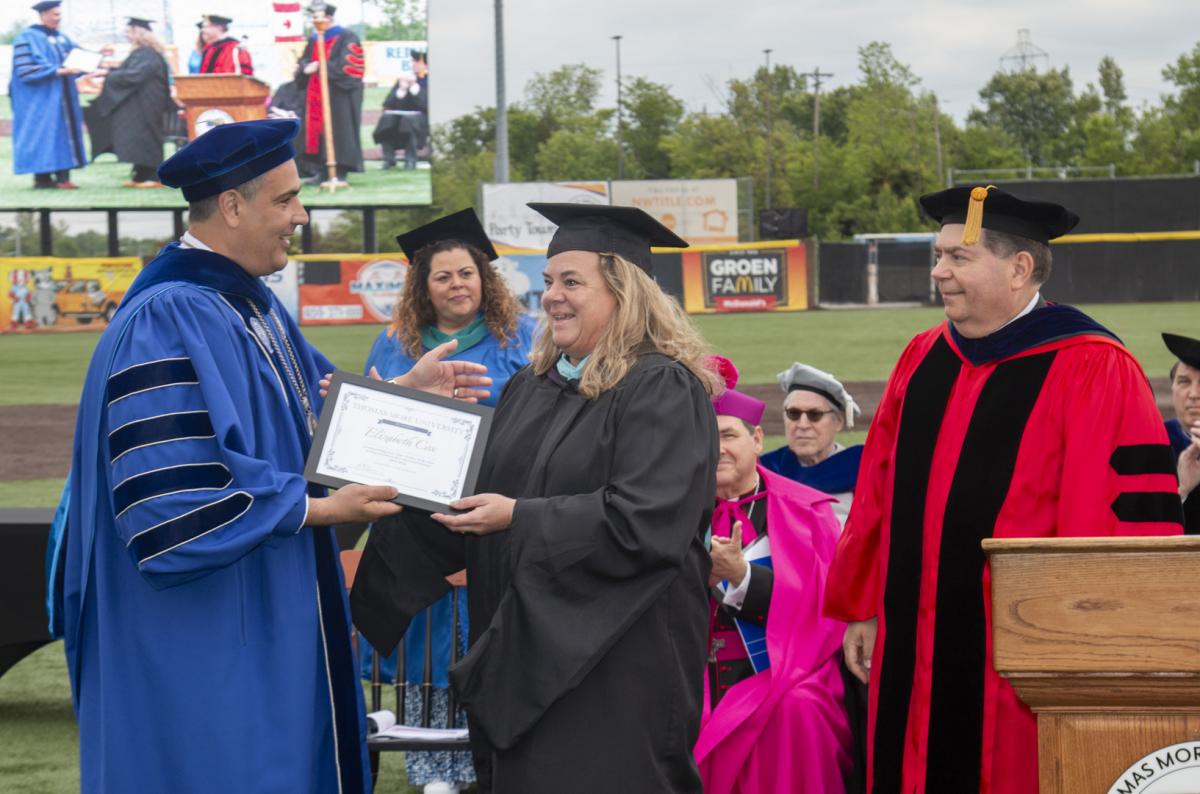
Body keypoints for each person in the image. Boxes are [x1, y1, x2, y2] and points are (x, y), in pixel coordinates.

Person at [56, 118, 490, 793]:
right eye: (286, 199)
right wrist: (320, 509)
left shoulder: (249, 309)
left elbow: (310, 426)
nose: (302, 215)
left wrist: (404, 393)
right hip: (204, 633)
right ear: (233, 205)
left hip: (263, 613)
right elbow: (169, 503)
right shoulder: (170, 315)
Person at [824, 185, 1184, 794]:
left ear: (1019, 269)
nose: (938, 271)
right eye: (939, 255)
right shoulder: (923, 357)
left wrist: (1083, 656)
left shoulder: (1093, 366)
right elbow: (877, 490)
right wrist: (863, 603)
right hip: (909, 639)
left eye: (958, 258)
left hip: (1016, 658)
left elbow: (1119, 525)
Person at [351, 203, 721, 793]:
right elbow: (473, 490)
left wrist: (518, 518)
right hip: (523, 652)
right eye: (548, 282)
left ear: (625, 293)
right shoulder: (535, 384)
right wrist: (391, 424)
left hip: (616, 665)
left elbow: (646, 521)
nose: (551, 297)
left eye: (572, 282)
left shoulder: (661, 387)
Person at [361, 208, 535, 794]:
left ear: (486, 278)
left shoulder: (525, 338)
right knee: (430, 640)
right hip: (418, 524)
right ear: (422, 286)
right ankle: (435, 769)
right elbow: (373, 428)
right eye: (443, 276)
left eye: (468, 273)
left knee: (496, 632)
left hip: (501, 513)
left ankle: (497, 761)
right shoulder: (394, 346)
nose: (458, 284)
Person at [694, 356, 852, 794]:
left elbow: (823, 613)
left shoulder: (807, 511)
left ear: (757, 439)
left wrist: (741, 577)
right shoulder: (673, 510)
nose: (718, 448)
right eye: (707, 438)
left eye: (728, 436)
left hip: (785, 670)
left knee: (798, 711)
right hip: (691, 670)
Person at [760, 362, 863, 527]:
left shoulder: (860, 469)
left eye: (815, 415)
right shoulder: (767, 469)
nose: (802, 424)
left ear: (838, 422)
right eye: (793, 413)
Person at [83, 18, 172, 188]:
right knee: (139, 137)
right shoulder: (144, 52)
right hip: (141, 103)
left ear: (138, 33)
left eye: (129, 31)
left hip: (149, 103)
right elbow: (128, 72)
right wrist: (108, 72)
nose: (126, 34)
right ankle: (140, 175)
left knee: (147, 138)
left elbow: (133, 75)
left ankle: (153, 177)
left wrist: (109, 76)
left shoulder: (147, 53)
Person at [10, 0, 86, 189]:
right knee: (41, 135)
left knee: (64, 134)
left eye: (59, 14)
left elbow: (79, 58)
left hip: (63, 99)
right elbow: (24, 70)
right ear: (43, 15)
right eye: (55, 14)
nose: (59, 18)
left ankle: (63, 178)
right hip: (39, 100)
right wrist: (57, 71)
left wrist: (97, 59)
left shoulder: (62, 38)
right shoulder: (27, 37)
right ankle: (42, 179)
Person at [295, 4, 364, 183]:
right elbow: (304, 60)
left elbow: (350, 66)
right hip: (315, 93)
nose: (315, 21)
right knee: (316, 131)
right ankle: (322, 170)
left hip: (339, 94)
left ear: (329, 17)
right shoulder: (314, 38)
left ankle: (340, 170)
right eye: (313, 17)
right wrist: (304, 68)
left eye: (318, 17)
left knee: (339, 129)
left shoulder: (346, 36)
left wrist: (322, 67)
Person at [1162, 332, 1200, 532]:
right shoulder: (1154, 442)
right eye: (1184, 382)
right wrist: (1182, 490)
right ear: (1172, 389)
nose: (1194, 395)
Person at [373, 73, 427, 170]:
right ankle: (389, 159)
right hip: (397, 118)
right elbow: (387, 104)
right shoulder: (400, 83)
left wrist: (415, 90)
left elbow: (425, 105)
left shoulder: (425, 81)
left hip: (419, 119)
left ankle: (410, 160)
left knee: (409, 121)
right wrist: (401, 90)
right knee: (386, 120)